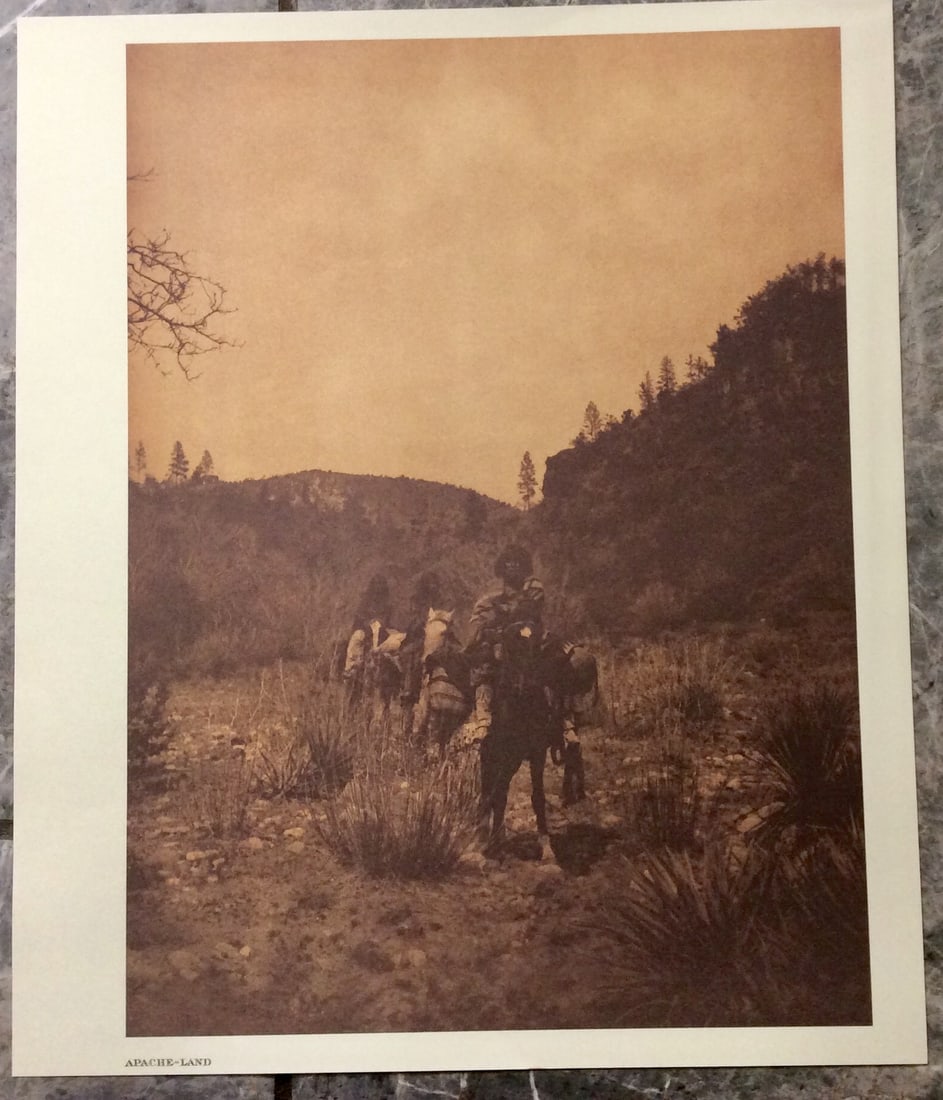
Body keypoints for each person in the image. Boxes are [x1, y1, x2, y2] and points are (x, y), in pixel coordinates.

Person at [465, 543, 546, 736]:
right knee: (486, 659)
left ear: (524, 567)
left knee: (554, 659)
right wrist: (490, 627)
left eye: (517, 562)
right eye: (509, 562)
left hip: (529, 641)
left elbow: (535, 616)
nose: (513, 566)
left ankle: (565, 721)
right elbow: (476, 626)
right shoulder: (490, 598)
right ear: (502, 567)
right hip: (499, 643)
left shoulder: (533, 591)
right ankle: (483, 714)